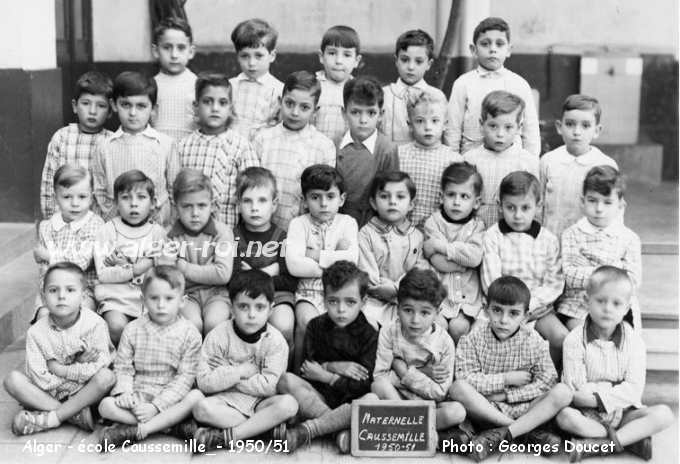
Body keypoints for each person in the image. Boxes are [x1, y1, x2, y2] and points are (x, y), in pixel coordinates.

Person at [449, 276, 572, 462]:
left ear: (526, 316)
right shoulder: (473, 338)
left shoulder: (533, 340)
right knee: (458, 388)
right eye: (497, 310)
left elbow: (547, 382)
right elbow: (466, 378)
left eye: (513, 313)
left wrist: (507, 395)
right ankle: (523, 432)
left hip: (525, 408)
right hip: (486, 410)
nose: (503, 320)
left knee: (563, 392)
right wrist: (505, 379)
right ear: (486, 309)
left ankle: (501, 436)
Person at [557, 266, 673, 462]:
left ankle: (601, 445)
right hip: (587, 416)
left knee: (664, 414)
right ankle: (630, 439)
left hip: (624, 412)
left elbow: (634, 390)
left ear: (626, 308)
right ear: (587, 301)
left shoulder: (634, 341)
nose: (608, 308)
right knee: (564, 417)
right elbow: (575, 391)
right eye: (600, 301)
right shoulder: (574, 340)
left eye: (616, 303)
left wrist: (598, 396)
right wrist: (614, 389)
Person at [277, 261, 378, 453]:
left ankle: (310, 429)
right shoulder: (315, 326)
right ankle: (338, 429)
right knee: (286, 380)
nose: (341, 309)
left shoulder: (369, 335)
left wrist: (327, 375)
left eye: (350, 302)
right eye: (333, 301)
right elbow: (306, 369)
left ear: (363, 302)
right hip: (319, 399)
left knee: (371, 398)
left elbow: (363, 384)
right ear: (324, 299)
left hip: (351, 402)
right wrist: (333, 366)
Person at [98, 266, 203, 449]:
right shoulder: (132, 329)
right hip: (139, 396)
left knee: (196, 397)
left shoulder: (190, 333)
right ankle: (170, 426)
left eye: (169, 298)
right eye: (154, 298)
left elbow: (185, 378)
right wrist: (124, 394)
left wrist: (156, 406)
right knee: (105, 406)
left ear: (182, 301)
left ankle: (139, 429)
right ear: (143, 299)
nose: (161, 305)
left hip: (171, 398)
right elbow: (123, 367)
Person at [191, 270, 298, 450]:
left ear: (271, 309)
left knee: (289, 404)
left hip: (260, 404)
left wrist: (227, 373)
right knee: (200, 408)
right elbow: (203, 382)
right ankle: (263, 429)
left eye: (259, 307)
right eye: (243, 306)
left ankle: (233, 435)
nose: (251, 314)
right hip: (226, 402)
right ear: (232, 308)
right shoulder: (218, 335)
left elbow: (270, 386)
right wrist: (240, 372)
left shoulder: (276, 341)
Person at [4, 263, 115, 435]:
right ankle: (73, 414)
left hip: (86, 390)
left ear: (83, 296)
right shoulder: (35, 332)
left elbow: (100, 366)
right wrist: (77, 368)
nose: (61, 296)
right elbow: (39, 376)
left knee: (106, 377)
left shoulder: (95, 324)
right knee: (12, 380)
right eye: (53, 290)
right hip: (51, 393)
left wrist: (63, 370)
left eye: (70, 290)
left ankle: (51, 418)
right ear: (43, 296)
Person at [481, 171, 567, 368]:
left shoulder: (548, 240)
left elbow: (554, 283)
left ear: (538, 206)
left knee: (562, 338)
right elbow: (491, 280)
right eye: (511, 207)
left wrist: (529, 307)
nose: (518, 215)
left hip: (537, 309)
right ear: (500, 206)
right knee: (477, 334)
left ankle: (546, 380)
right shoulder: (493, 236)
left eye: (525, 208)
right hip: (501, 307)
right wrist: (512, 309)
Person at [371, 269, 466, 434]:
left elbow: (440, 393)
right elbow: (380, 376)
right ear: (398, 307)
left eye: (424, 313)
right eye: (408, 310)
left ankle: (404, 427)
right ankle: (419, 430)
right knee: (378, 387)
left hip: (429, 405)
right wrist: (425, 373)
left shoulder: (444, 343)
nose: (415, 320)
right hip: (396, 399)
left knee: (457, 412)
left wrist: (404, 371)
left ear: (437, 312)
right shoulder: (389, 332)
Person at [286, 165, 359, 371]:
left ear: (342, 199)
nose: (323, 203)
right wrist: (335, 260)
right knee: (309, 323)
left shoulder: (348, 223)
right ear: (305, 200)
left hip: (339, 293)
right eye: (315, 197)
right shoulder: (299, 224)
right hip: (308, 292)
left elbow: (352, 261)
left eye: (330, 196)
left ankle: (329, 376)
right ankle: (299, 371)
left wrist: (313, 255)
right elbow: (294, 265)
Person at [92, 71, 180, 226]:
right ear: (114, 105)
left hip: (157, 224)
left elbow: (174, 190)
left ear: (153, 109)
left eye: (141, 106)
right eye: (126, 105)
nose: (133, 113)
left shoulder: (165, 144)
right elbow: (100, 191)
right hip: (117, 224)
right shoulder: (104, 146)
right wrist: (113, 220)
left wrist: (168, 223)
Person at [560, 166, 642, 330]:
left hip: (616, 306)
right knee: (582, 335)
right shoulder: (571, 234)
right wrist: (614, 269)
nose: (599, 208)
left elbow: (633, 280)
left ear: (620, 205)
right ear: (582, 201)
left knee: (624, 338)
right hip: (578, 305)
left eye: (607, 202)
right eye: (592, 200)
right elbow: (569, 276)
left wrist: (588, 268)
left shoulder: (629, 238)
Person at [253, 71, 336, 230]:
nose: (295, 112)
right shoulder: (263, 140)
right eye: (289, 103)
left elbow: (325, 193)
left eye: (304, 107)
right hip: (264, 229)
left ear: (315, 110)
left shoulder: (324, 147)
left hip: (305, 232)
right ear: (280, 101)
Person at [93, 170, 168, 345]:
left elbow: (163, 272)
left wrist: (124, 266)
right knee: (117, 326)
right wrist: (135, 268)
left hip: (148, 301)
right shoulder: (107, 231)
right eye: (126, 198)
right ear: (116, 203)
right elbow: (104, 274)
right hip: (116, 300)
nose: (133, 204)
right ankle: (119, 363)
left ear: (152, 203)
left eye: (141, 197)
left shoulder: (158, 233)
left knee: (155, 333)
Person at [447, 17, 540, 156]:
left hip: (512, 160)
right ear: (473, 50)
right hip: (472, 160)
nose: (492, 49)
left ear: (509, 50)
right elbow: (453, 128)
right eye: (485, 44)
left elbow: (530, 130)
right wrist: (453, 161)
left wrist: (530, 163)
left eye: (499, 44)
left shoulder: (519, 84)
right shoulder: (463, 83)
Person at [178, 72, 259, 228]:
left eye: (222, 103)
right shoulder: (183, 146)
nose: (215, 108)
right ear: (196, 106)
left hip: (228, 232)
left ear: (230, 108)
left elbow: (252, 191)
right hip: (190, 233)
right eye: (207, 102)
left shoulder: (241, 146)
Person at [233, 166, 297, 355]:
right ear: (238, 204)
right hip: (243, 297)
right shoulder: (233, 237)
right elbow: (233, 279)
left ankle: (284, 372)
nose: (254, 208)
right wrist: (270, 271)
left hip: (277, 296)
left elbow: (290, 280)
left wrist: (254, 274)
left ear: (274, 204)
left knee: (284, 325)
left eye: (262, 200)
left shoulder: (282, 237)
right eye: (247, 201)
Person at [423, 162, 485, 343]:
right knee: (438, 327)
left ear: (476, 202)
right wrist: (463, 260)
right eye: (451, 195)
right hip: (439, 298)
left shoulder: (477, 226)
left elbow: (475, 258)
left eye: (464, 196)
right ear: (441, 197)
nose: (457, 202)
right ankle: (440, 365)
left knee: (459, 328)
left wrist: (441, 246)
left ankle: (459, 367)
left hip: (467, 300)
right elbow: (438, 263)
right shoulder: (433, 223)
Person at [167, 169, 234, 336]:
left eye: (202, 206)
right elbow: (169, 276)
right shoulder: (169, 235)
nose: (195, 213)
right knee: (192, 325)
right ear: (175, 207)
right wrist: (206, 271)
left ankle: (213, 361)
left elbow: (222, 274)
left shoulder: (222, 232)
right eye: (187, 206)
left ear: (212, 205)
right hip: (185, 295)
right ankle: (192, 361)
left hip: (217, 294)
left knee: (215, 323)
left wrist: (183, 267)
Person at [540, 94, 618, 237]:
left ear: (596, 130)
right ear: (559, 127)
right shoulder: (548, 161)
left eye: (586, 125)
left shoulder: (605, 164)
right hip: (550, 240)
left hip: (586, 243)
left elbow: (614, 209)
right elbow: (538, 205)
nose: (576, 132)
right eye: (570, 124)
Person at [358, 171, 428, 328]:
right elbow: (366, 272)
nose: (392, 202)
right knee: (367, 326)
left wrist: (396, 288)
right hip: (373, 300)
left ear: (411, 204)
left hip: (406, 300)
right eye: (384, 196)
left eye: (400, 197)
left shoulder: (417, 236)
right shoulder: (366, 233)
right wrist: (381, 288)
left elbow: (418, 271)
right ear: (374, 203)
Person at [40, 71, 113, 219]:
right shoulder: (62, 137)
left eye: (101, 105)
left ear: (110, 111)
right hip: (64, 220)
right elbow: (49, 183)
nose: (92, 111)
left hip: (100, 222)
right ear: (75, 106)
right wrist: (51, 220)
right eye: (86, 103)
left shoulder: (111, 142)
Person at [34, 165, 104, 318]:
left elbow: (81, 262)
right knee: (44, 316)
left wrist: (49, 256)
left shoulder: (95, 224)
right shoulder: (47, 227)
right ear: (55, 197)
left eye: (82, 197)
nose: (75, 203)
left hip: (83, 291)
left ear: (91, 197)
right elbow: (44, 271)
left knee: (81, 314)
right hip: (53, 290)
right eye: (67, 197)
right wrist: (48, 295)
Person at [463, 90, 538, 227]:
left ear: (519, 127)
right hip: (474, 232)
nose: (500, 134)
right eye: (493, 126)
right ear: (481, 124)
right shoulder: (470, 160)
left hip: (511, 231)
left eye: (508, 127)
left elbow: (534, 203)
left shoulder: (526, 162)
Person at [337, 76, 399, 227]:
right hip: (337, 221)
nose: (363, 120)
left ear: (381, 114)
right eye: (356, 112)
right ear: (344, 113)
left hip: (372, 223)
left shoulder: (386, 149)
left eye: (371, 113)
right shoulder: (333, 145)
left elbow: (389, 191)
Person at [397, 89, 462, 227]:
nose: (428, 127)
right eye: (420, 121)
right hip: (402, 230)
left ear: (445, 124)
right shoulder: (399, 155)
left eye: (435, 121)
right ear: (410, 124)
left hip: (439, 232)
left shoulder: (453, 160)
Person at [381, 29, 450, 145]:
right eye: (405, 60)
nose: (411, 67)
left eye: (418, 61)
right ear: (396, 60)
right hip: (390, 158)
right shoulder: (384, 94)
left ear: (428, 64)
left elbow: (445, 133)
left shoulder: (437, 96)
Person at [228, 18, 284, 140]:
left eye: (258, 56)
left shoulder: (279, 89)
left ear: (272, 56)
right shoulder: (230, 86)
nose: (251, 63)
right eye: (245, 56)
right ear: (237, 56)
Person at [311, 25, 361, 146]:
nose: (339, 60)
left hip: (346, 154)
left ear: (357, 61)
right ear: (321, 57)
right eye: (332, 53)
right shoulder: (311, 86)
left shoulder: (359, 90)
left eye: (347, 55)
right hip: (315, 152)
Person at [150, 17, 197, 140]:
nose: (174, 55)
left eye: (181, 48)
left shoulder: (198, 85)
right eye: (167, 47)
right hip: (158, 152)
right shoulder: (150, 85)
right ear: (155, 51)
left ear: (191, 51)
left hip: (189, 152)